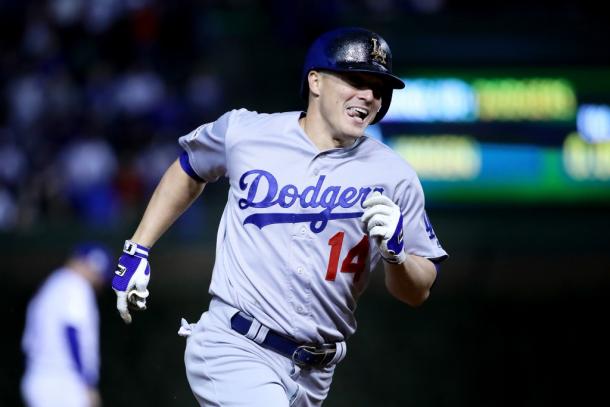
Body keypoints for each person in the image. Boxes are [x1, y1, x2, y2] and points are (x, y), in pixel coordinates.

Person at [112, 27, 448, 406]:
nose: (369, 95)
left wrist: (396, 255)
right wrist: (137, 249)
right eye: (356, 79)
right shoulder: (247, 133)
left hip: (316, 373)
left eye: (378, 87)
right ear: (315, 81)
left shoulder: (395, 176)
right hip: (235, 345)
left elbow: (418, 290)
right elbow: (189, 168)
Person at [21, 242, 113, 407]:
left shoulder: (53, 283)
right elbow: (72, 331)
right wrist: (87, 383)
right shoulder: (76, 285)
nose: (99, 281)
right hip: (63, 381)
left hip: (40, 375)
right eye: (98, 274)